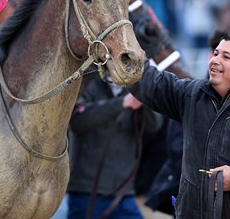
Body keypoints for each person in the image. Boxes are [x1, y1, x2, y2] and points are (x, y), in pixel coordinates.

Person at [128, 30, 230, 218]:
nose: (215, 60)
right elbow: (151, 83)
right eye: (216, 54)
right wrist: (120, 50)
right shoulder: (192, 94)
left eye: (226, 57)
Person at [66, 75, 163, 219]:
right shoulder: (89, 84)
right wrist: (122, 103)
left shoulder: (137, 90)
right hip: (86, 191)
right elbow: (77, 120)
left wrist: (144, 99)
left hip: (123, 193)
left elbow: (154, 125)